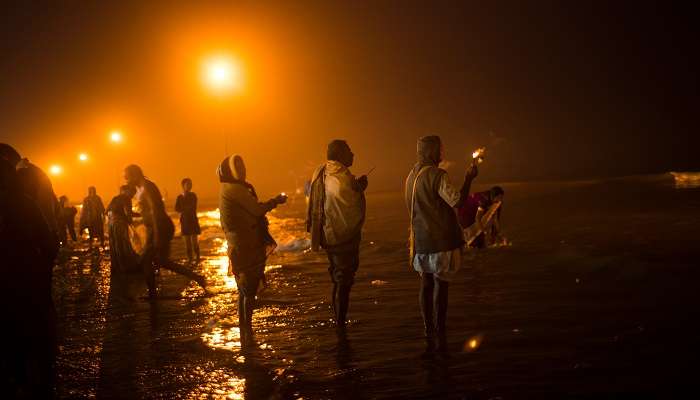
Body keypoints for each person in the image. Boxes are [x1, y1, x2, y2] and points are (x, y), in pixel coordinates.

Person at [404, 135, 478, 357]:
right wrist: (468, 178)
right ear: (429, 152)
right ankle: (440, 331)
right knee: (441, 285)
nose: (441, 155)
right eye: (439, 150)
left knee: (425, 284)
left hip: (419, 242)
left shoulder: (410, 177)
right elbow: (457, 201)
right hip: (440, 241)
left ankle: (428, 330)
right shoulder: (437, 175)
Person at [0, 159, 59, 397]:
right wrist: (42, 268)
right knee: (31, 329)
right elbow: (48, 242)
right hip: (27, 276)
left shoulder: (24, 201)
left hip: (13, 280)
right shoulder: (25, 202)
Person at [218, 155, 287, 347]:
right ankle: (247, 333)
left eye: (242, 166)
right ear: (229, 171)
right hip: (246, 246)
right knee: (248, 291)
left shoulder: (228, 188)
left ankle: (244, 332)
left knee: (244, 291)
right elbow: (257, 210)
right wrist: (276, 201)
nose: (242, 170)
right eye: (237, 167)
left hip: (239, 245)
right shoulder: (235, 189)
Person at [307, 140, 368, 330]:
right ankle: (340, 325)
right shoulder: (342, 176)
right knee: (344, 281)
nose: (353, 154)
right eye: (349, 151)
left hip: (325, 234)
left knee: (337, 278)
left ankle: (338, 322)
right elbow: (348, 201)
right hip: (342, 237)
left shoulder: (321, 171)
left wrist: (355, 187)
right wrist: (359, 189)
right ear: (340, 155)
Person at [124, 165, 207, 298]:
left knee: (151, 261)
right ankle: (197, 278)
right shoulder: (141, 188)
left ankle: (153, 294)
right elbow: (147, 211)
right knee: (156, 261)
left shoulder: (148, 186)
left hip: (161, 227)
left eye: (127, 176)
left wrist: (156, 235)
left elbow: (156, 211)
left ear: (134, 175)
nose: (125, 179)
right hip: (154, 228)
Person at [0, 143, 59, 236]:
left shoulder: (22, 176)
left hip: (32, 233)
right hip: (45, 230)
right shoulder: (34, 171)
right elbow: (55, 204)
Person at [106, 185, 140, 274]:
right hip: (119, 223)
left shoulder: (115, 198)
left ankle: (117, 267)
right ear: (127, 191)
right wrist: (132, 223)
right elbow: (128, 213)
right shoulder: (126, 198)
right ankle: (125, 267)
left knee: (115, 245)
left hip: (111, 224)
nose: (133, 196)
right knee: (123, 244)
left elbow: (107, 211)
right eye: (132, 193)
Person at [175, 178, 201, 264]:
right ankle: (190, 259)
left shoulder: (193, 195)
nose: (190, 186)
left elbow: (193, 207)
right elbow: (176, 208)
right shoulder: (179, 197)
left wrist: (183, 209)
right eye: (188, 184)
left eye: (190, 184)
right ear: (183, 186)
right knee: (187, 243)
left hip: (193, 220)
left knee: (194, 242)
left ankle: (197, 258)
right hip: (184, 221)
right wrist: (185, 209)